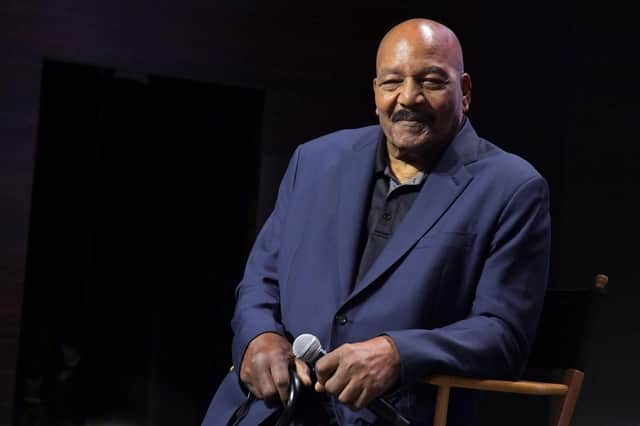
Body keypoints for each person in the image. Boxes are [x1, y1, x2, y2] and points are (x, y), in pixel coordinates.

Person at [203, 17, 551, 425]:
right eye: (392, 82)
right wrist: (256, 338)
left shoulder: (512, 187)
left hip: (390, 414)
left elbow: (502, 334)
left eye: (432, 81)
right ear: (375, 93)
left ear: (466, 92)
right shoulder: (314, 161)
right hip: (275, 410)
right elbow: (261, 282)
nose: (409, 98)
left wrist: (398, 353)